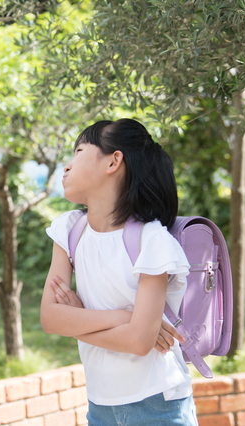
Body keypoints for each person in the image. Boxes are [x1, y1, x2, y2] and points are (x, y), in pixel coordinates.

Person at [40, 119, 197, 425]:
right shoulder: (69, 230)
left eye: (79, 152)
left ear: (113, 161)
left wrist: (77, 319)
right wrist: (126, 318)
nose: (67, 166)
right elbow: (50, 318)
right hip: (100, 405)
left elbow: (139, 342)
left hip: (158, 404)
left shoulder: (151, 239)